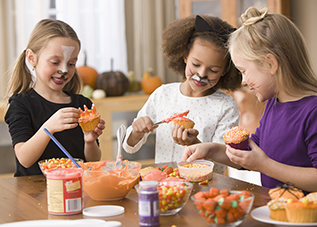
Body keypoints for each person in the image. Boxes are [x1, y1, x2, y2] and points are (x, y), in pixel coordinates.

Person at [182, 7, 317, 193]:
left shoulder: (313, 111)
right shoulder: (274, 104)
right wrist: (210, 150)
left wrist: (265, 165)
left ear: (271, 64)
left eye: (244, 71)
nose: (243, 81)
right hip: (274, 213)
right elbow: (250, 156)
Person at [123, 15, 241, 174]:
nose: (201, 74)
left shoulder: (226, 106)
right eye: (196, 64)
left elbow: (222, 163)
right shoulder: (163, 94)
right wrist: (137, 130)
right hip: (164, 184)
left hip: (204, 189)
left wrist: (195, 144)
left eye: (213, 70)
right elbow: (129, 146)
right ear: (185, 55)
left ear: (226, 71)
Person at [5, 19, 105, 176]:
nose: (64, 70)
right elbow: (24, 158)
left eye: (71, 64)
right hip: (32, 193)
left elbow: (92, 163)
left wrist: (90, 140)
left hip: (74, 187)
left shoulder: (83, 104)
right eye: (55, 62)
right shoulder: (21, 104)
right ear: (32, 58)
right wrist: (49, 127)